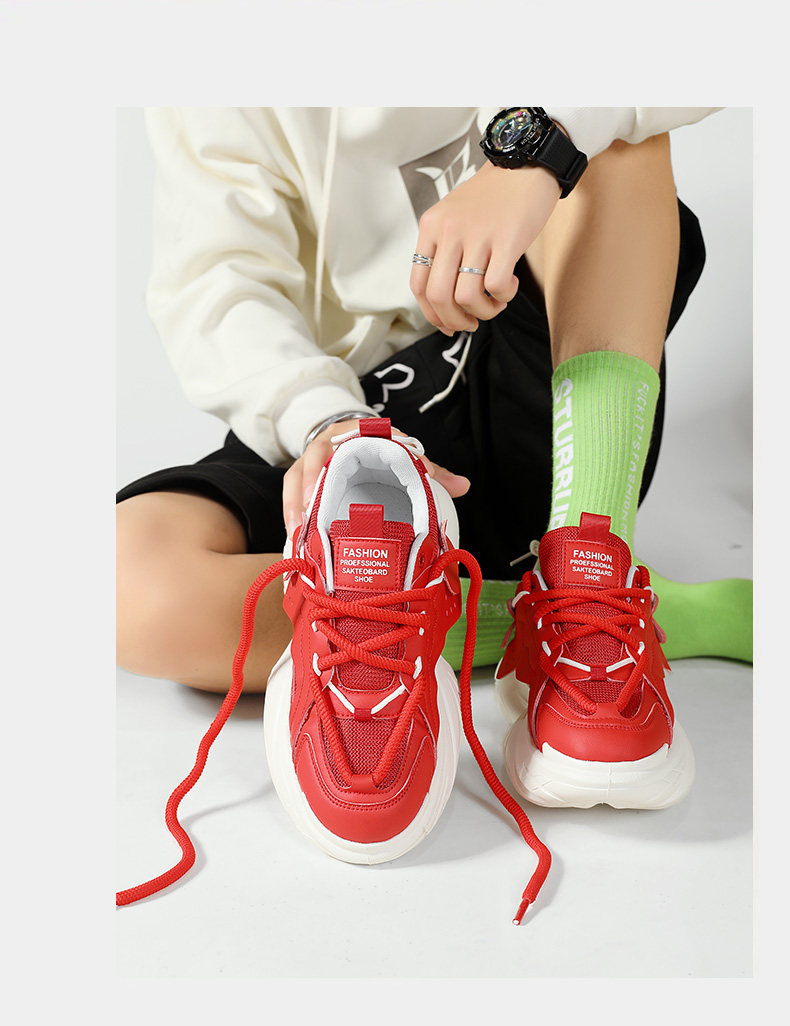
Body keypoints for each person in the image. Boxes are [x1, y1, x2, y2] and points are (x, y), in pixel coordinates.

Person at [116, 106, 751, 698]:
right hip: (336, 405)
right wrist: (326, 420)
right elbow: (217, 280)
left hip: (529, 385)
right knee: (130, 583)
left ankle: (589, 589)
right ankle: (560, 616)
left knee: (615, 135)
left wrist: (536, 148)